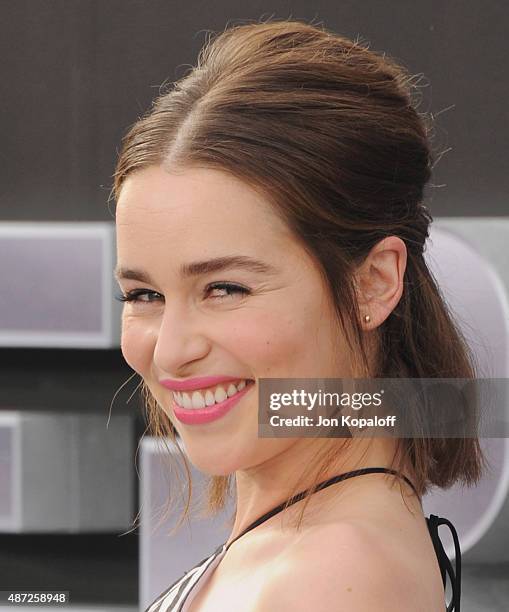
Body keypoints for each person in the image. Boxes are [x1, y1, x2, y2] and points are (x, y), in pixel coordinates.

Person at [112, 19, 486, 611]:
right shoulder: (302, 548)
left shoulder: (329, 577)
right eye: (144, 296)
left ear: (374, 282)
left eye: (225, 288)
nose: (170, 351)